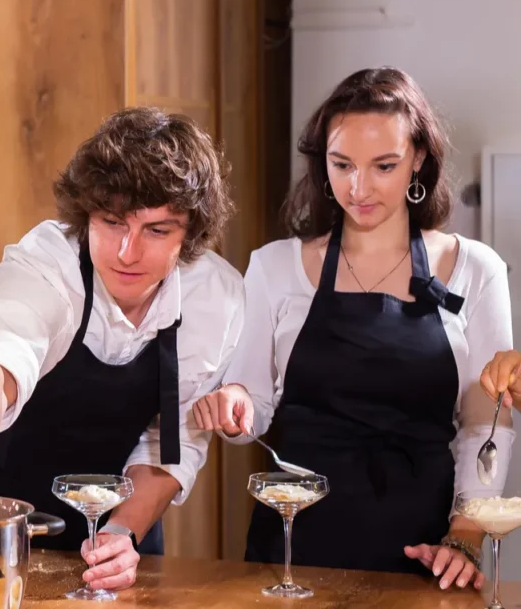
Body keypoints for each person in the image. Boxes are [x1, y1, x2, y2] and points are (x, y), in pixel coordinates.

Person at [0, 108, 245, 594]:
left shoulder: (216, 298)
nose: (128, 251)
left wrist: (121, 536)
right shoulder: (48, 263)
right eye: (112, 221)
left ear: (192, 233)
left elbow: (171, 443)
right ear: (86, 212)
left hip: (115, 534)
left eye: (157, 230)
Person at [193, 67, 511, 589]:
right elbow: (252, 403)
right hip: (293, 549)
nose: (358, 188)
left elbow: (487, 424)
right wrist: (234, 405)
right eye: (342, 165)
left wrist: (466, 535)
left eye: (383, 166)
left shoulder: (476, 269)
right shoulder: (274, 267)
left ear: (419, 160)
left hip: (425, 550)